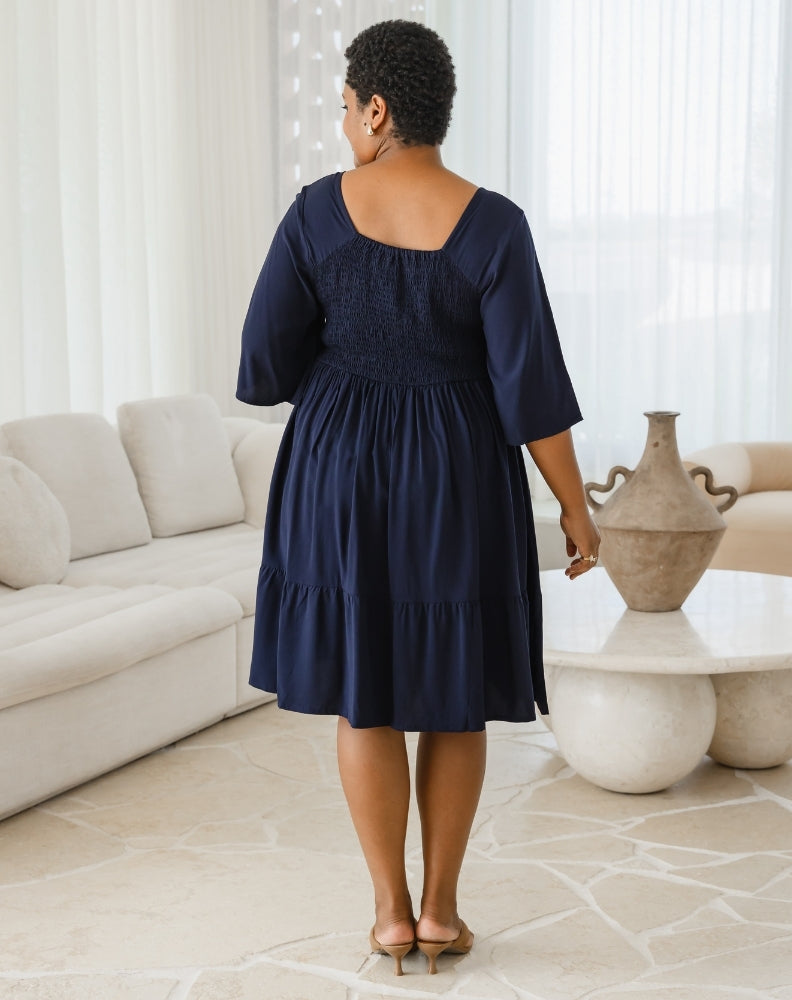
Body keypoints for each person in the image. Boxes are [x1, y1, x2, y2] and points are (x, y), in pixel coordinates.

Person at [237, 19, 600, 977]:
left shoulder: (317, 211)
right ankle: (442, 910)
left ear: (379, 109)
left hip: (339, 462)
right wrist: (574, 506)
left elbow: (267, 361)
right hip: (457, 466)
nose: (344, 122)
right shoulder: (496, 223)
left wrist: (349, 358)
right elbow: (533, 389)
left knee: (369, 696)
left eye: (346, 106)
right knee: (453, 699)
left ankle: (390, 915)